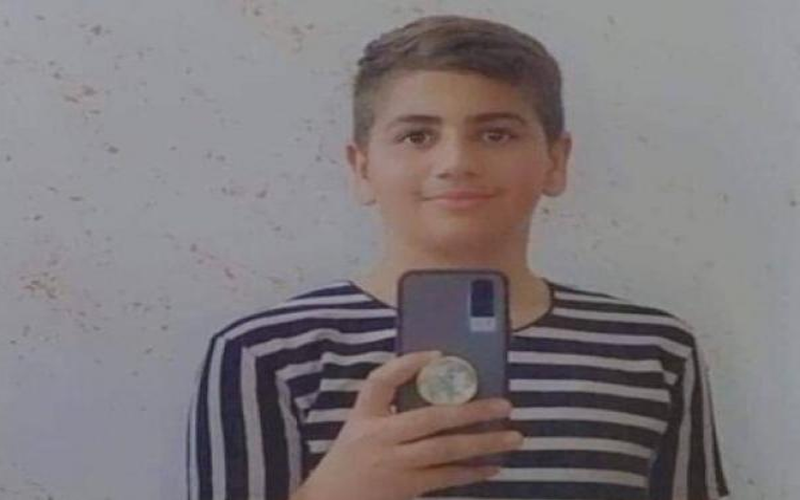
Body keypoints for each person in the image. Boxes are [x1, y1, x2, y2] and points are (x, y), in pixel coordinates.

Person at [186, 14, 730, 500]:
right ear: (361, 167)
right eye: (417, 136)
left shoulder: (652, 351)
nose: (455, 162)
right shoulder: (265, 354)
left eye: (495, 134)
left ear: (555, 161)